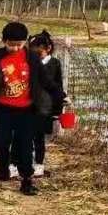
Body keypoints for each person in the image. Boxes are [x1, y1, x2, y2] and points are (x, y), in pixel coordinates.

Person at [0, 21, 52, 196]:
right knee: (0, 143)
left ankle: (27, 180)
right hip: (3, 108)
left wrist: (60, 95)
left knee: (26, 146)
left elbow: (45, 80)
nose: (16, 48)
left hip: (27, 110)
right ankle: (4, 163)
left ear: (24, 42)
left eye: (19, 44)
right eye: (11, 45)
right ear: (4, 41)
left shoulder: (32, 58)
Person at [30, 30, 68, 177]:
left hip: (45, 107)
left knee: (39, 138)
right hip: (29, 106)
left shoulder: (54, 64)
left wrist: (58, 108)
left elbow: (57, 86)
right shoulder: (30, 63)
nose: (35, 53)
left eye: (38, 50)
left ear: (48, 48)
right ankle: (23, 164)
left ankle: (39, 166)